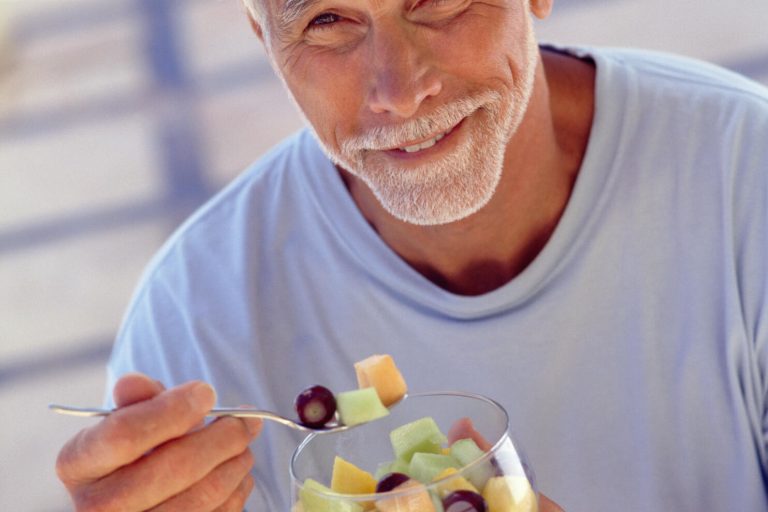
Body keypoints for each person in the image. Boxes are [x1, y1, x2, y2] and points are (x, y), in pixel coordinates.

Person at [55, 0, 768, 509]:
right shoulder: (194, 321)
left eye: (439, 1)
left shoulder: (747, 178)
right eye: (326, 21)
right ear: (261, 35)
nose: (399, 90)